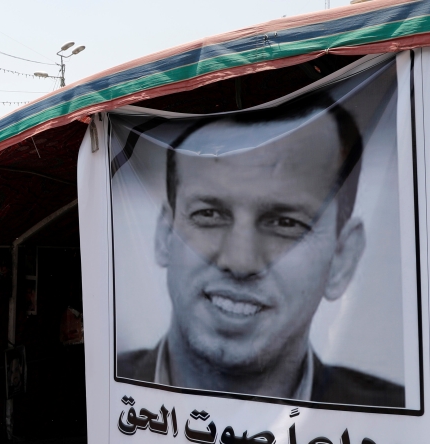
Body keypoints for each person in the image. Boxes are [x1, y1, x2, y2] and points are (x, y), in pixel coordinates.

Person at [116, 95, 404, 406]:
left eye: (284, 223)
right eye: (209, 214)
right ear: (164, 235)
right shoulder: (96, 388)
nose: (240, 262)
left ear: (342, 258)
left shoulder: (397, 421)